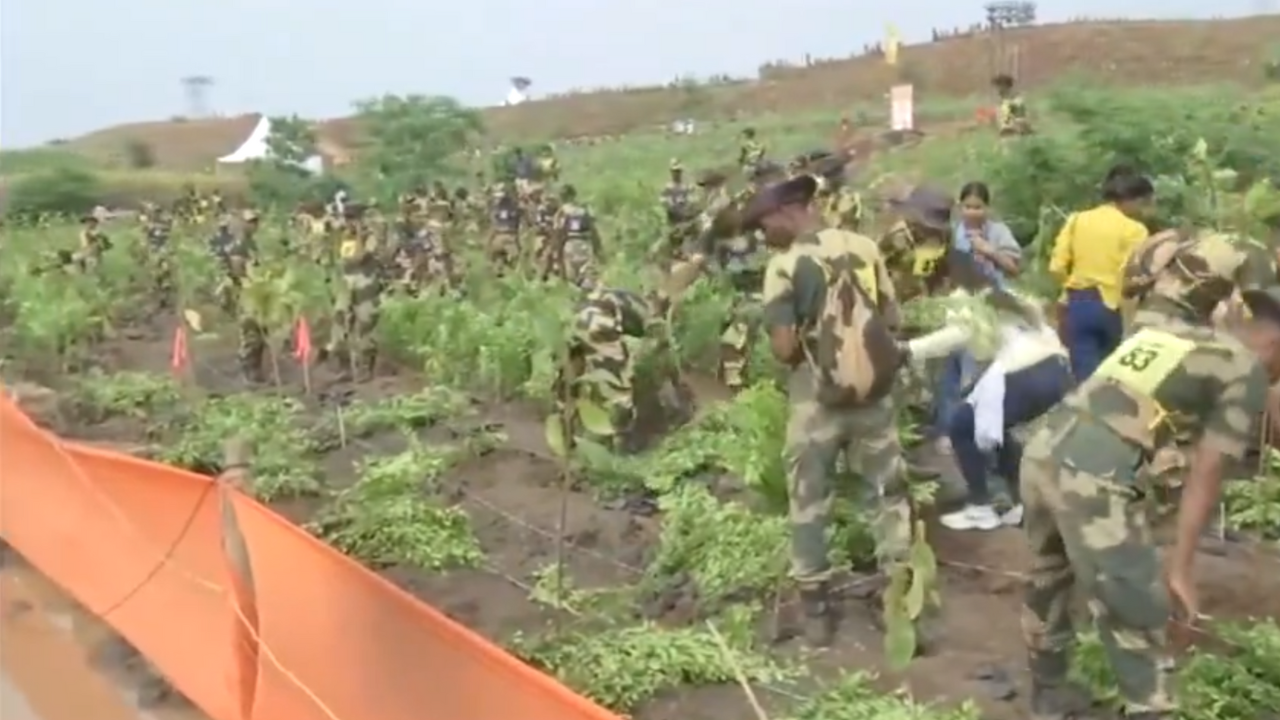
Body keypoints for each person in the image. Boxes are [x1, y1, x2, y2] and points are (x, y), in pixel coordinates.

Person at [1017, 282, 1280, 719]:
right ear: (1273, 343)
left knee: (1049, 577)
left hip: (1043, 451)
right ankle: (1150, 709)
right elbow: (1209, 468)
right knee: (1136, 604)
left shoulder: (1170, 333)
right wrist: (1180, 568)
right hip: (1091, 474)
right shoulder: (1244, 369)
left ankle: (1049, 692)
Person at [755, 174, 912, 647]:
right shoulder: (866, 247)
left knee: (809, 499)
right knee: (888, 494)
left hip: (816, 399)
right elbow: (891, 319)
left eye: (764, 223)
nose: (762, 234)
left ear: (787, 211)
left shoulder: (784, 264)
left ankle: (817, 610)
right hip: (873, 395)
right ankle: (900, 601)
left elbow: (784, 349)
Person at [907, 281, 1071, 531]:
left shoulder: (974, 313)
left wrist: (906, 350)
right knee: (1000, 429)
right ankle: (1020, 503)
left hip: (1026, 373)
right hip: (1057, 373)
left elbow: (946, 339)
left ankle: (979, 507)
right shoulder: (1020, 312)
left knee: (962, 426)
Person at [933, 182, 1025, 454]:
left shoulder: (998, 232)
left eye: (978, 207)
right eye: (967, 206)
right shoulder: (951, 234)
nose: (972, 212)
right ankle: (948, 431)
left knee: (976, 373)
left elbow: (1014, 269)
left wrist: (989, 251)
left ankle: (976, 433)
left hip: (988, 311)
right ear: (959, 207)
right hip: (956, 309)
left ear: (988, 208)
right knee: (949, 373)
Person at [1050, 169, 1152, 381]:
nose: (1143, 210)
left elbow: (1057, 266)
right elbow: (1133, 275)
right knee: (1110, 377)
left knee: (1083, 377)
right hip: (1112, 308)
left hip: (1078, 303)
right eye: (1143, 203)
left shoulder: (1077, 220)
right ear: (1131, 200)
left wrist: (1069, 288)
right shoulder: (1136, 230)